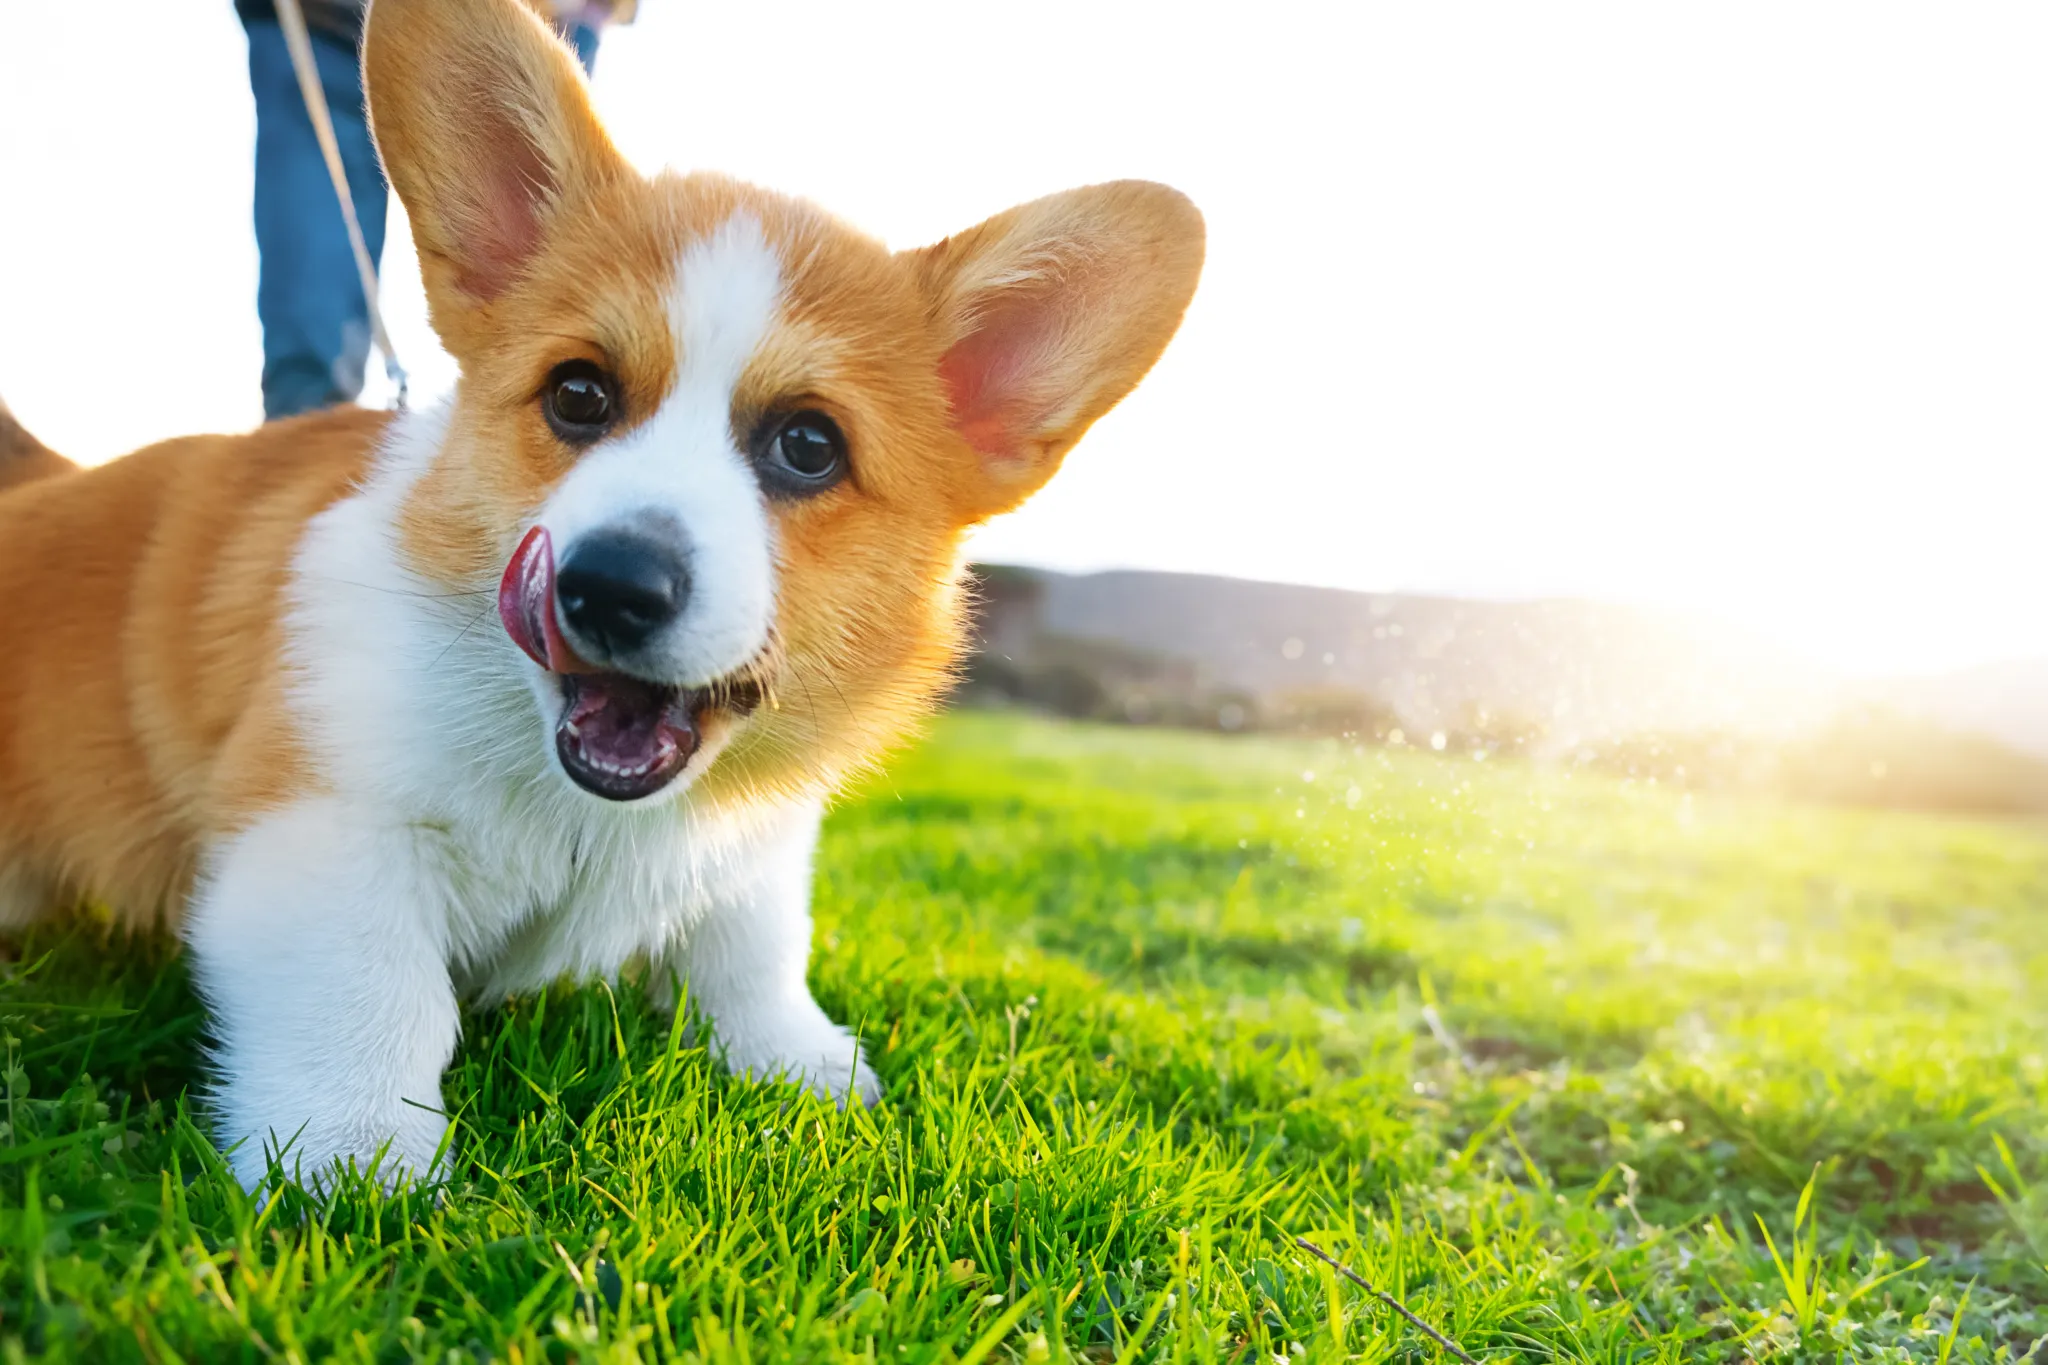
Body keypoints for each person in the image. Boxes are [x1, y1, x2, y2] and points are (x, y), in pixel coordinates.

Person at [237, 1, 628, 420]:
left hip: (543, 20)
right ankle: (301, 436)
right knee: (312, 340)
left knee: (541, 329)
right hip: (325, 23)